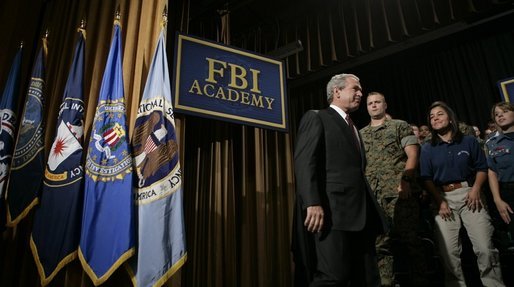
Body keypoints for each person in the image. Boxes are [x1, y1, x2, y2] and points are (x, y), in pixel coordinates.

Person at [292, 73, 387, 287]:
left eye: (360, 90)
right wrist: (312, 202)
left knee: (368, 278)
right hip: (332, 214)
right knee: (333, 276)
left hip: (361, 216)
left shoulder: (354, 127)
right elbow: (305, 163)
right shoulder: (317, 117)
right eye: (355, 89)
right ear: (336, 91)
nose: (360, 93)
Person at [419, 101, 504, 287]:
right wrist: (440, 201)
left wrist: (475, 190)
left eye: (439, 114)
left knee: (484, 248)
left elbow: (482, 168)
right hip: (442, 200)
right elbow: (426, 178)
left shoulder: (469, 141)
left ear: (450, 118)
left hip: (469, 195)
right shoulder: (427, 148)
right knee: (448, 253)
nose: (435, 119)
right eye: (431, 117)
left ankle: (493, 284)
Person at [360, 92, 428, 286]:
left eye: (377, 102)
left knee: (411, 242)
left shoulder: (399, 126)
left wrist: (406, 180)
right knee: (380, 246)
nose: (373, 106)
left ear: (385, 105)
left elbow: (413, 155)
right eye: (370, 103)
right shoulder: (361, 134)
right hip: (374, 198)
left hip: (400, 194)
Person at [486, 102, 514, 251]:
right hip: (508, 193)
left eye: (505, 111)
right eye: (497, 114)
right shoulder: (491, 142)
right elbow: (492, 171)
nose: (500, 115)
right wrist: (497, 199)